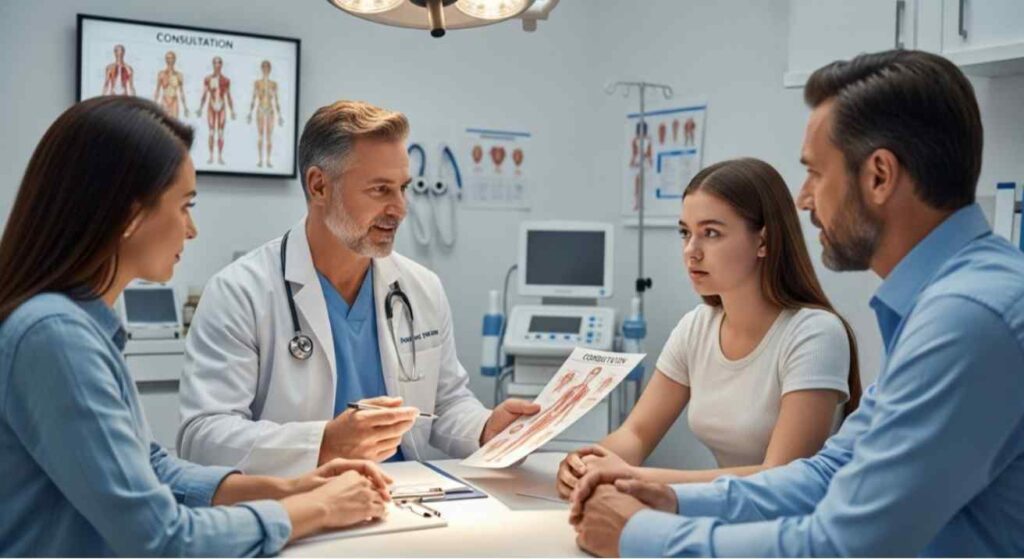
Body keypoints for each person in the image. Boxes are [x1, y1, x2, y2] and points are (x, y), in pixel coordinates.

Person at [571, 49, 1024, 557]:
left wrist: (637, 535)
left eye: (816, 174)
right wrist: (672, 499)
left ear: (879, 176)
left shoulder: (969, 318)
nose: (805, 199)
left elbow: (841, 545)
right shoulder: (942, 304)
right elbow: (830, 472)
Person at [0, 96, 393, 556]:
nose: (192, 230)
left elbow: (153, 467)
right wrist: (317, 509)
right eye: (185, 205)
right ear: (130, 214)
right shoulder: (55, 337)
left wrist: (292, 488)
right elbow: (163, 540)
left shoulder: (79, 327)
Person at [178, 100, 538, 477]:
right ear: (319, 186)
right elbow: (203, 437)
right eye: (380, 190)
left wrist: (485, 428)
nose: (400, 208)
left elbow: (445, 404)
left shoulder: (421, 288)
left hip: (405, 494)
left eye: (402, 188)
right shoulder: (241, 293)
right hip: (299, 498)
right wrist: (324, 443)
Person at [557, 157, 859, 499]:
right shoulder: (696, 327)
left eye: (711, 233)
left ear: (764, 241)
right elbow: (637, 433)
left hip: (797, 524)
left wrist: (637, 477)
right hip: (725, 515)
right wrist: (587, 462)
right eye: (685, 232)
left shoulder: (815, 335)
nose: (691, 251)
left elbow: (781, 476)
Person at [196, 55, 236, 164]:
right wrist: (200, 108)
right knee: (211, 132)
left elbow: (228, 95)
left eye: (219, 63)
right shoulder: (208, 79)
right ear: (212, 64)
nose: (217, 65)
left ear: (221, 65)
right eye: (215, 62)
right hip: (211, 105)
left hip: (222, 105)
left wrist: (232, 110)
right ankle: (211, 156)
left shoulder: (226, 80)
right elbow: (205, 94)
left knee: (221, 132)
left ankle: (220, 157)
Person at [247, 59, 284, 168]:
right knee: (260, 135)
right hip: (260, 109)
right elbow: (254, 98)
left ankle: (268, 160)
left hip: (270, 110)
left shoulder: (273, 84)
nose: (265, 69)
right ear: (261, 69)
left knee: (269, 136)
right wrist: (250, 113)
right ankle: (260, 160)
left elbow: (276, 100)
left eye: (267, 67)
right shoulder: (257, 83)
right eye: (264, 67)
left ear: (270, 69)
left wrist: (279, 115)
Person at [154, 50, 188, 119]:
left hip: (174, 101)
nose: (169, 60)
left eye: (171, 58)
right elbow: (157, 90)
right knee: (163, 121)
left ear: (174, 59)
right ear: (165, 60)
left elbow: (181, 92)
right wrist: (154, 105)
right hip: (165, 100)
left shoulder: (179, 75)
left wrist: (185, 107)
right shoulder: (161, 74)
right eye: (167, 58)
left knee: (174, 121)